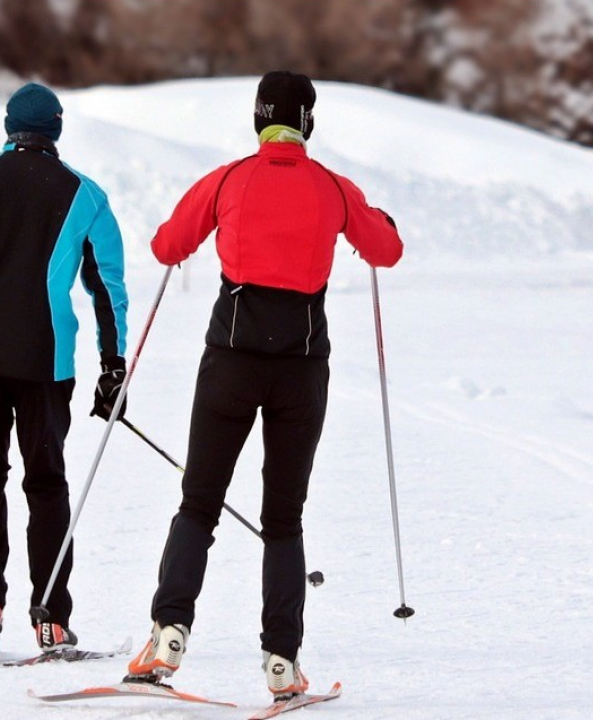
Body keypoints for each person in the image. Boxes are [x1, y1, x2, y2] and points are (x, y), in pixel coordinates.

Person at [125, 71, 403, 698]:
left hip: (230, 361)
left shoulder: (228, 179)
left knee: (199, 501)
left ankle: (168, 633)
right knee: (284, 518)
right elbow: (385, 250)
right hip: (302, 370)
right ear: (307, 122)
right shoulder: (333, 188)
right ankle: (282, 660)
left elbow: (167, 246)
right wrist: (378, 218)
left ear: (258, 119)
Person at [0, 82, 129, 659]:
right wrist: (114, 366)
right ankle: (51, 619)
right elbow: (107, 289)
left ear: (9, 126)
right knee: (46, 484)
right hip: (47, 361)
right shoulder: (86, 195)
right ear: (56, 129)